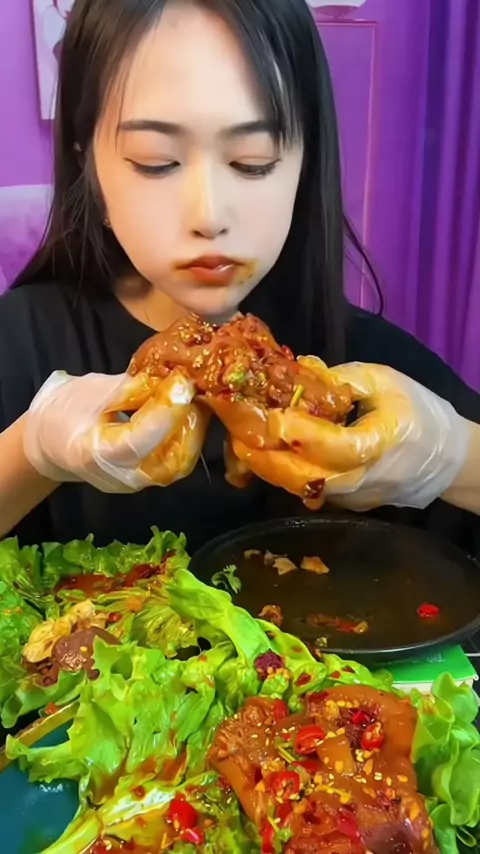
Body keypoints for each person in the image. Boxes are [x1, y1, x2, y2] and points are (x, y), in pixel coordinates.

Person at [1, 0, 479, 556]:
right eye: (155, 161)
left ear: (305, 165)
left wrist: (455, 457)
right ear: (89, 167)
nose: (209, 215)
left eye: (254, 161)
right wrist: (30, 453)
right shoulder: (20, 343)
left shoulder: (370, 371)